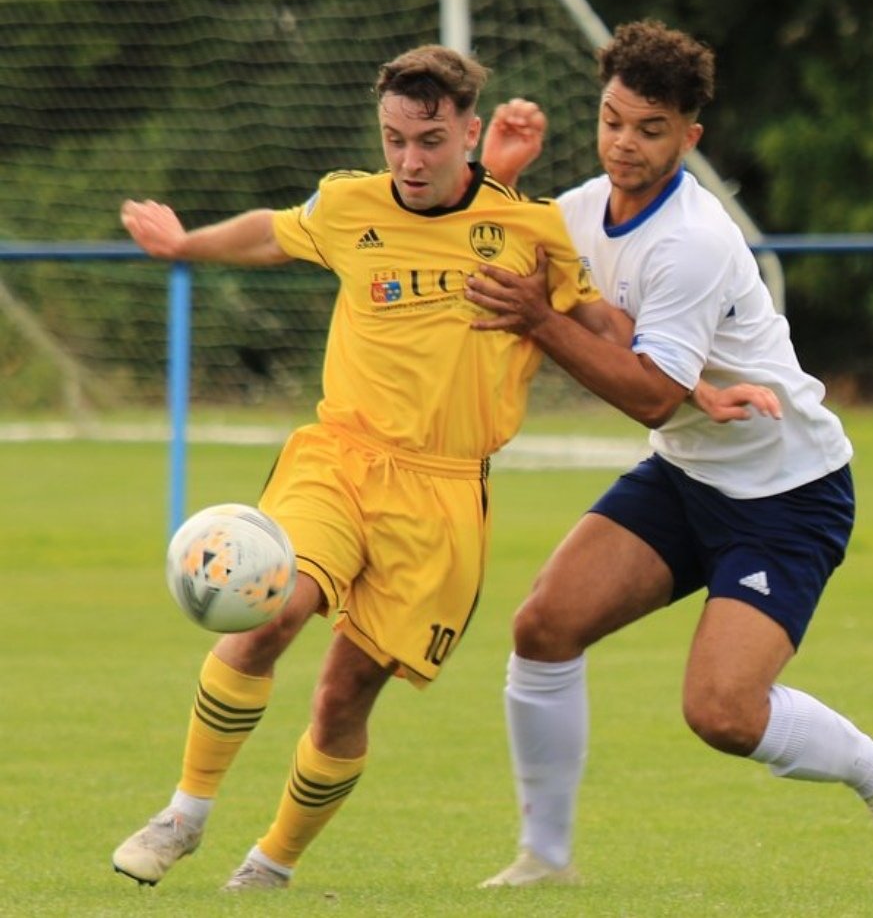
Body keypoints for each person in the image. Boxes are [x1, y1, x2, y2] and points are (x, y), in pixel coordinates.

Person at [110, 43, 632, 892]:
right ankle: (184, 813)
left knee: (343, 694)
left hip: (446, 492)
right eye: (394, 138)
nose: (409, 159)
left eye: (429, 140)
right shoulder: (351, 203)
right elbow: (274, 232)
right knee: (268, 613)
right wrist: (185, 243)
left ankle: (270, 864)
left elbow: (608, 335)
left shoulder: (533, 232)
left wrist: (694, 377)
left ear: (468, 131)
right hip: (342, 458)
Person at [467, 19, 873, 888]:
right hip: (688, 471)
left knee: (721, 710)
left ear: (691, 136)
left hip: (786, 492)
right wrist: (499, 176)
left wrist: (540, 320)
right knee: (543, 625)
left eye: (651, 129)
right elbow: (489, 244)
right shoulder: (575, 213)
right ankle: (547, 860)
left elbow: (642, 388)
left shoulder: (694, 240)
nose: (626, 144)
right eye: (613, 121)